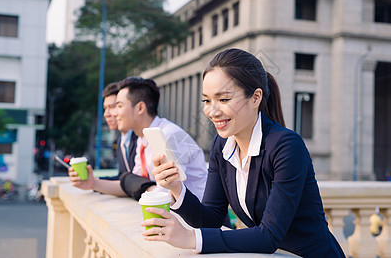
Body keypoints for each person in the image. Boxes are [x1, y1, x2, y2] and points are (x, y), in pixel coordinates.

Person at [142, 49, 345, 257]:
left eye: (223, 99)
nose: (212, 111)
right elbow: (212, 219)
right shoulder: (221, 146)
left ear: (256, 97)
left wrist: (190, 238)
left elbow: (269, 236)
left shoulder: (287, 146)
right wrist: (176, 187)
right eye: (207, 101)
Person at [68, 77, 208, 201]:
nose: (114, 113)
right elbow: (131, 183)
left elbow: (165, 197)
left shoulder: (169, 136)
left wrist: (140, 187)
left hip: (202, 223)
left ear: (140, 107)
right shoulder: (144, 138)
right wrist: (92, 183)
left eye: (119, 106)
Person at [101, 82, 138, 179]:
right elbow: (123, 178)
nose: (106, 114)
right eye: (105, 108)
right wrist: (94, 181)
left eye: (112, 107)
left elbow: (136, 181)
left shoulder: (140, 138)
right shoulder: (121, 140)